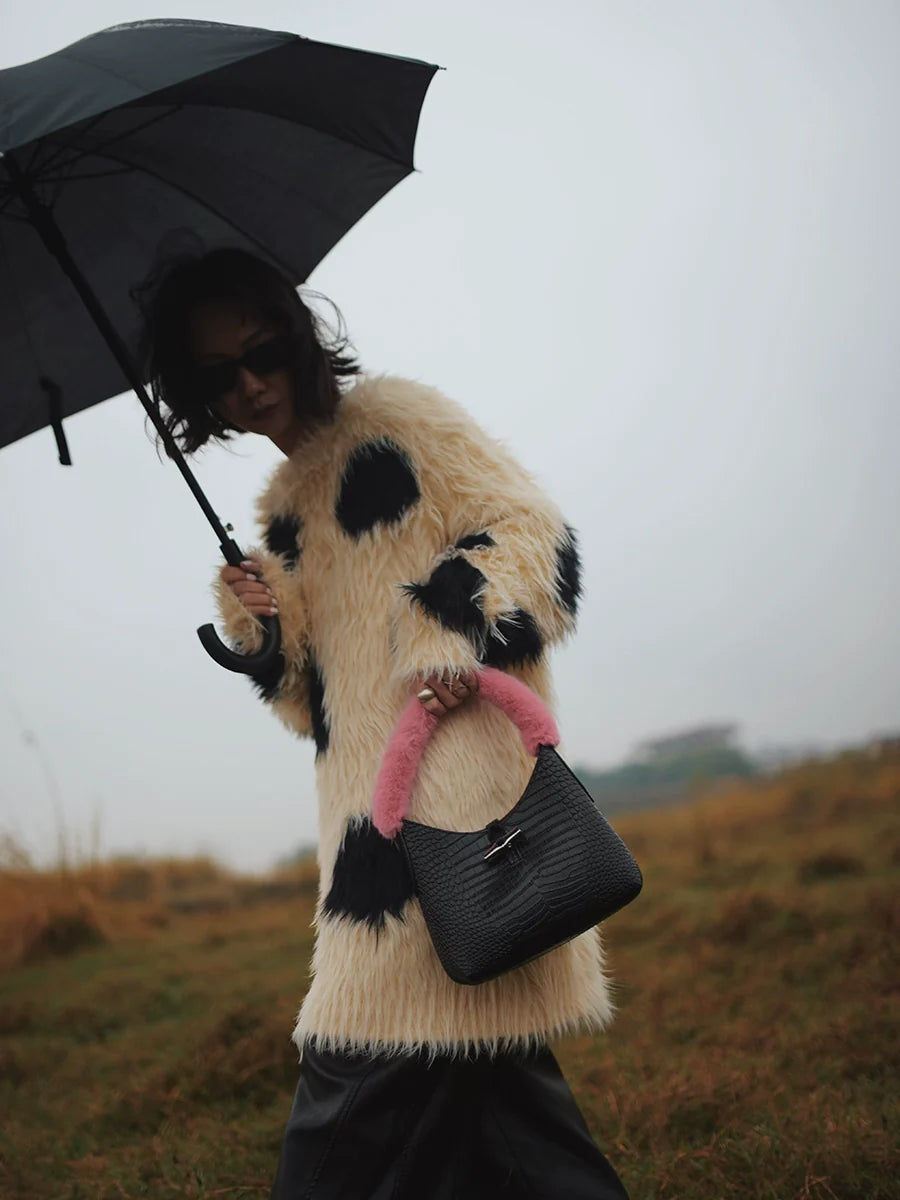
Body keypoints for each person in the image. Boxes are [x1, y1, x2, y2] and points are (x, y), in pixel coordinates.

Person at [140, 246, 629, 1200]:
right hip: (371, 823)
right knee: (511, 1127)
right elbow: (310, 710)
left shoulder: (399, 423)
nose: (249, 386)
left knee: (347, 1097)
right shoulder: (283, 506)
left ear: (299, 336)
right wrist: (263, 622)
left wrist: (447, 632)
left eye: (264, 352)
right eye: (217, 375)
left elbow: (537, 535)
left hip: (445, 831)